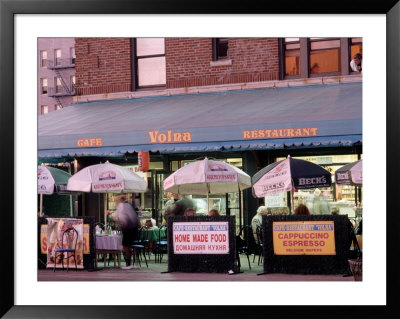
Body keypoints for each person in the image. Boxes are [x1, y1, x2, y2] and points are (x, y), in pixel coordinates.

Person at [114, 195, 139, 269]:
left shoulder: (121, 206)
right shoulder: (128, 205)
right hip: (133, 228)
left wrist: (117, 222)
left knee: (126, 246)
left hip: (128, 228)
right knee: (128, 246)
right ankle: (131, 262)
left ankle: (128, 263)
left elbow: (121, 218)